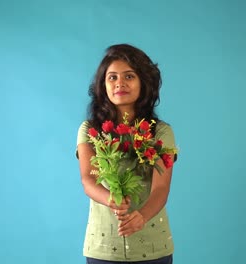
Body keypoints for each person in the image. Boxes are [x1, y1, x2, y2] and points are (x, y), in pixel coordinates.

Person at [76, 43, 177, 264]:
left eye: (129, 76)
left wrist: (142, 216)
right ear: (103, 85)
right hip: (104, 248)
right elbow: (88, 179)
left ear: (144, 83)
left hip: (153, 247)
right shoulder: (90, 131)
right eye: (112, 77)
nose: (119, 83)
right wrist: (111, 198)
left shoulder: (161, 132)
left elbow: (161, 187)